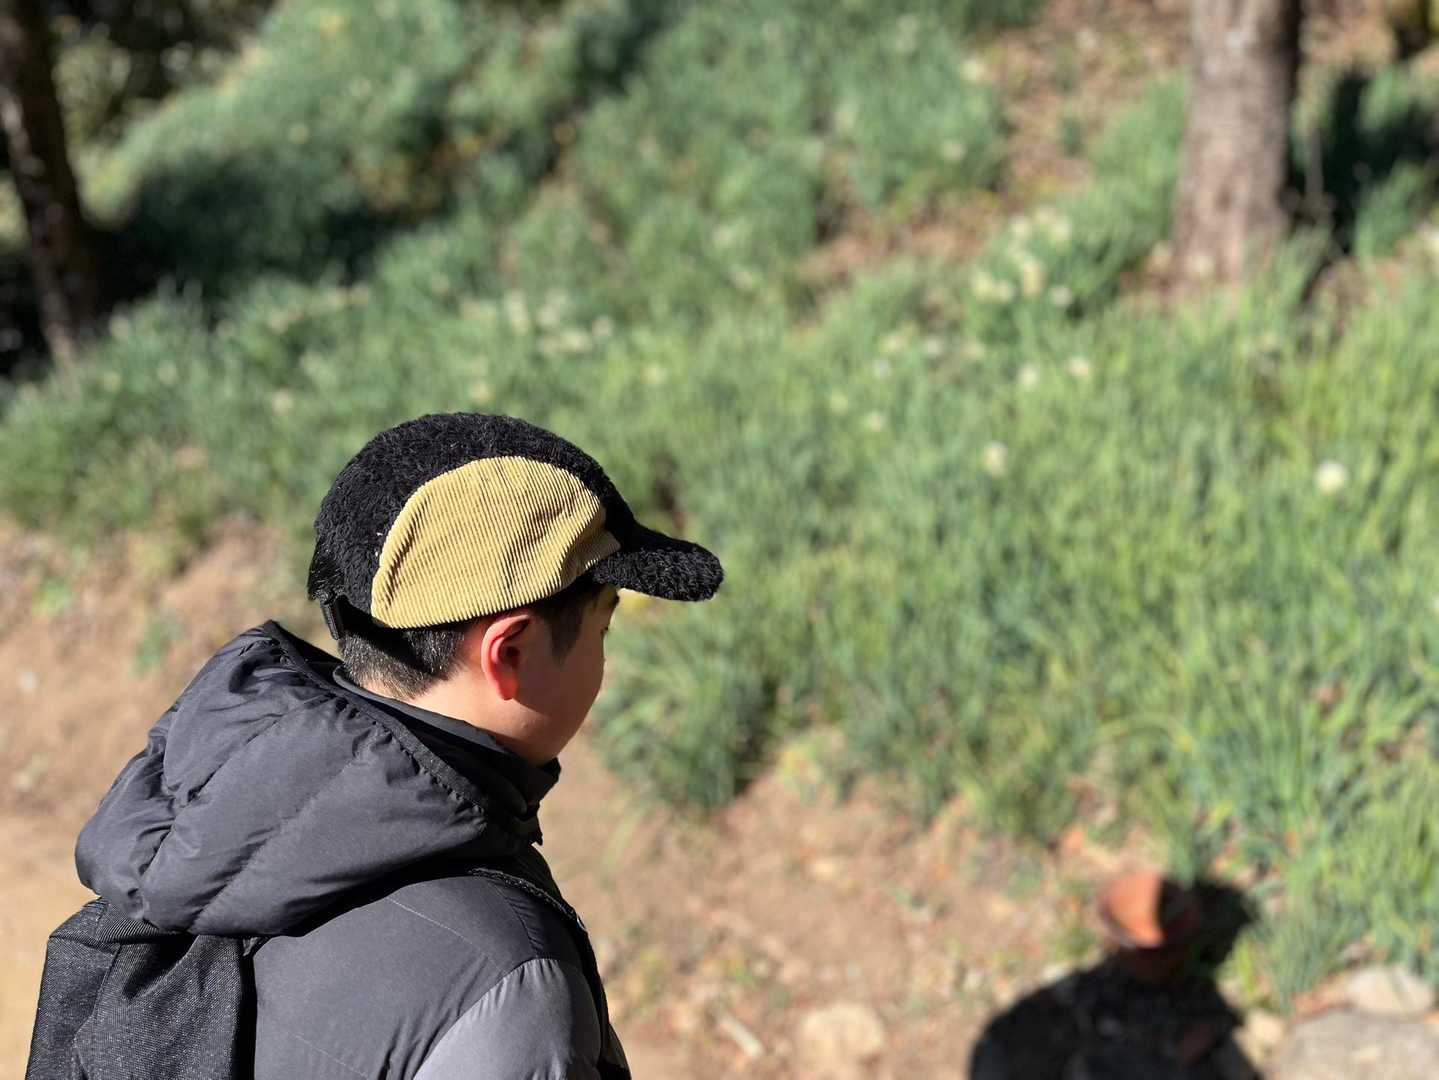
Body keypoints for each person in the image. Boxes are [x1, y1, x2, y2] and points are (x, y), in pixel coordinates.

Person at [72, 412, 723, 1079]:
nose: (602, 657)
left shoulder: (206, 816)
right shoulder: (514, 986)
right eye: (602, 629)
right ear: (511, 652)